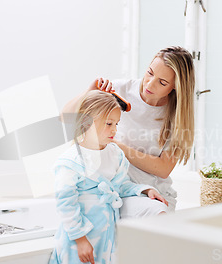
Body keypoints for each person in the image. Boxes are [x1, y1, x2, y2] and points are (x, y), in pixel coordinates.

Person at [62, 46, 195, 216]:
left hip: (151, 193)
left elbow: (163, 169)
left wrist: (115, 145)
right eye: (150, 73)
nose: (150, 83)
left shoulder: (178, 114)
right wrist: (90, 91)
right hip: (113, 187)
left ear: (176, 86)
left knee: (157, 216)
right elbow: (66, 118)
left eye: (162, 82)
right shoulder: (118, 90)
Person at [50, 90, 167, 264]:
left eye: (117, 124)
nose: (114, 130)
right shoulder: (71, 161)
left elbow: (119, 186)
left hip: (105, 235)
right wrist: (80, 239)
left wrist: (145, 189)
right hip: (79, 238)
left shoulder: (115, 154)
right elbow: (66, 203)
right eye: (109, 123)